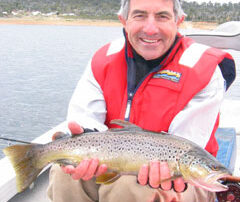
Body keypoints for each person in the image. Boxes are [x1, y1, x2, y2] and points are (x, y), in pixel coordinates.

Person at [47, 0, 236, 201]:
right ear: (124, 20)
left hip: (184, 180)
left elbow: (186, 144)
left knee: (129, 187)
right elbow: (85, 121)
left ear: (178, 21)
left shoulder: (205, 70)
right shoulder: (103, 59)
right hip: (112, 158)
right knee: (65, 174)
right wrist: (85, 146)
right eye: (139, 15)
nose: (151, 28)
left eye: (162, 16)